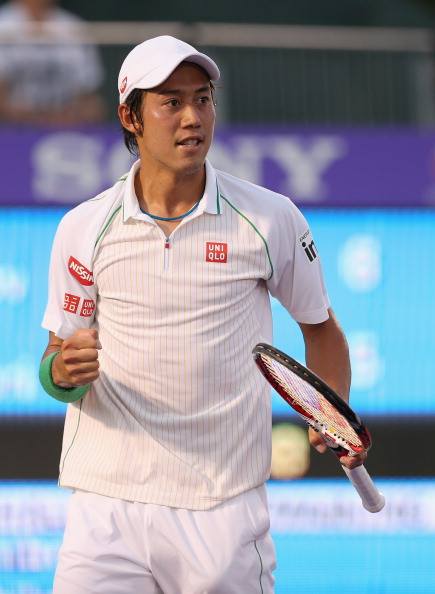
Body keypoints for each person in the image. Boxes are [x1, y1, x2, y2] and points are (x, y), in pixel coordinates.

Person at [39, 35, 365, 594]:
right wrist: (62, 374)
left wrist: (330, 411)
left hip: (222, 510)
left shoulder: (271, 218)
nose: (192, 117)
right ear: (130, 117)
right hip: (105, 509)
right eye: (171, 102)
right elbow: (54, 366)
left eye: (203, 99)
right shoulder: (82, 228)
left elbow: (321, 329)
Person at [0, 0, 105, 125]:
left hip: (64, 126)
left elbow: (90, 99)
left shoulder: (73, 28)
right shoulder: (4, 24)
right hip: (13, 127)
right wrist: (34, 118)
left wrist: (66, 116)